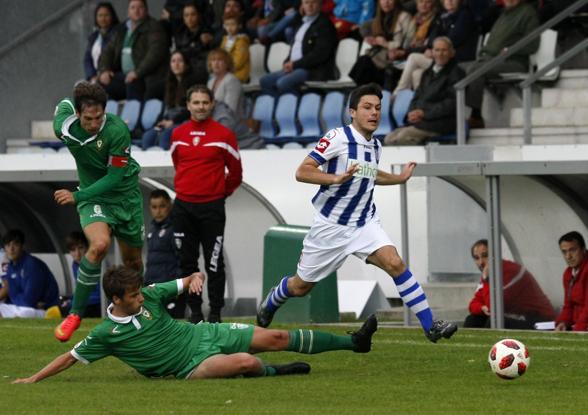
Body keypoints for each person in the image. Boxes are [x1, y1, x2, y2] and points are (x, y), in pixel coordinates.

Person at [256, 83, 457, 343]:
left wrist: (399, 178)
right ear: (352, 112)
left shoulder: (375, 145)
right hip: (331, 227)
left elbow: (370, 175)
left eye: (378, 108)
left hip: (364, 223)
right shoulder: (337, 138)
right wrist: (334, 178)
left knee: (395, 262)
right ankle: (274, 299)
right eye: (367, 107)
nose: (374, 113)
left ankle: (430, 326)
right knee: (301, 286)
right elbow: (302, 171)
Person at [12, 265, 378, 383]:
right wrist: (31, 379)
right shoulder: (106, 333)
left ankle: (355, 343)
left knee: (278, 336)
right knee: (249, 363)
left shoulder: (151, 294)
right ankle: (275, 373)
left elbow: (189, 277)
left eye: (141, 292)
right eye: (135, 296)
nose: (142, 297)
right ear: (118, 300)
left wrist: (196, 279)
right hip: (189, 366)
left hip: (204, 334)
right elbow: (70, 358)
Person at [52, 81, 144, 342]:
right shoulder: (65, 127)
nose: (94, 123)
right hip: (94, 198)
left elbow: (114, 177)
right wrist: (82, 195)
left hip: (124, 197)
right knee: (100, 244)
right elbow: (63, 104)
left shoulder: (117, 131)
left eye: (99, 117)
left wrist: (77, 195)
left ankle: (139, 313)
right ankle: (75, 314)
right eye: (89, 118)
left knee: (133, 263)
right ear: (79, 114)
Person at [170, 85, 243, 324]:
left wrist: (219, 194)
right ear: (188, 105)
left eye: (204, 102)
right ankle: (195, 313)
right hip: (183, 207)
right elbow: (178, 164)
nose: (200, 106)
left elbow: (235, 173)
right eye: (196, 102)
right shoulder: (177, 134)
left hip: (212, 208)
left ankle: (215, 314)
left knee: (214, 262)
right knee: (187, 262)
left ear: (212, 104)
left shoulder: (224, 135)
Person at [465, 0, 539, 128]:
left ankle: (476, 116)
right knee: (457, 69)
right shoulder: (504, 14)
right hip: (488, 60)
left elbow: (533, 44)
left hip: (513, 61)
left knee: (475, 70)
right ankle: (451, 117)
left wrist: (511, 49)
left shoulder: (528, 13)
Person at [384, 37, 465, 145]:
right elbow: (416, 97)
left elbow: (451, 104)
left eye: (444, 50)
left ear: (452, 53)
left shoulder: (457, 73)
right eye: (437, 50)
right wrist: (412, 112)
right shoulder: (427, 73)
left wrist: (424, 113)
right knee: (389, 138)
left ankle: (415, 162)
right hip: (422, 121)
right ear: (432, 52)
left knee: (402, 138)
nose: (440, 54)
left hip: (441, 123)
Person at [463, 239, 555, 329]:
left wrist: (487, 279)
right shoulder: (489, 273)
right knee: (472, 320)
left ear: (496, 255)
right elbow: (473, 304)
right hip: (519, 317)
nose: (481, 262)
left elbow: (494, 307)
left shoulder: (511, 271)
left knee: (494, 322)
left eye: (485, 255)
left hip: (540, 320)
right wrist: (482, 307)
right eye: (476, 258)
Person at [394, 0, 476, 94]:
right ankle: (421, 105)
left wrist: (434, 50)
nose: (449, 1)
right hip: (440, 57)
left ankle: (396, 95)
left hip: (456, 61)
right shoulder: (443, 16)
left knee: (413, 58)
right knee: (417, 74)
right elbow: (432, 38)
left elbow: (451, 41)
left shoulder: (465, 16)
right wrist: (431, 48)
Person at [259, 0, 338, 96]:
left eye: (313, 2)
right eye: (306, 3)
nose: (310, 6)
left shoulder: (324, 24)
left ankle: (298, 106)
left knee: (283, 83)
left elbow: (319, 54)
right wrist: (287, 62)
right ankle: (280, 108)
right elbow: (294, 48)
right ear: (302, 5)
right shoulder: (301, 23)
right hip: (296, 67)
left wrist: (295, 64)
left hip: (312, 70)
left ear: (320, 4)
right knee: (265, 81)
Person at [98, 0, 169, 101]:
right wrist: (104, 70)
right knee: (102, 84)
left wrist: (137, 72)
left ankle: (133, 115)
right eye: (133, 8)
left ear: (146, 10)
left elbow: (155, 54)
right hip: (124, 75)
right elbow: (108, 51)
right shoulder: (121, 29)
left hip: (144, 76)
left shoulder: (154, 27)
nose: (136, 11)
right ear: (128, 11)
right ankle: (106, 115)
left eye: (140, 7)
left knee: (133, 82)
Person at [141, 50, 196, 150]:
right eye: (173, 61)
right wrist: (159, 122)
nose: (176, 64)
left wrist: (173, 121)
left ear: (186, 64)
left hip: (184, 121)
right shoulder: (169, 85)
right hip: (169, 121)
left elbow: (192, 110)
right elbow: (164, 109)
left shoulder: (192, 83)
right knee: (147, 137)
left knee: (165, 135)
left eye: (180, 61)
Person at [0, 230, 60, 319]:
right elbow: (13, 294)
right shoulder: (11, 267)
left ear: (22, 246)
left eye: (15, 245)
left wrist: (16, 298)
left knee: (24, 313)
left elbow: (29, 300)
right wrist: (16, 299)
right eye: (8, 245)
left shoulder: (32, 265)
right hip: (24, 306)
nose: (11, 249)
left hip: (44, 308)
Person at [554, 231, 588, 332]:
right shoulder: (568, 273)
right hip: (576, 324)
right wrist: (563, 322)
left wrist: (578, 329)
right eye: (564, 252)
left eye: (572, 250)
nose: (568, 256)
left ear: (583, 249)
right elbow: (568, 305)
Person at [144, 189, 184, 318]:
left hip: (169, 288)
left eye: (162, 206)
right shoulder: (152, 230)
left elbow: (181, 259)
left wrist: (177, 286)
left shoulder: (175, 228)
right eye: (154, 207)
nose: (158, 211)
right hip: (153, 288)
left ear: (169, 205)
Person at [64, 231, 102, 318]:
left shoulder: (97, 264)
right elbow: (80, 288)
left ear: (88, 247)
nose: (77, 254)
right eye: (73, 250)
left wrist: (75, 302)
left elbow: (100, 295)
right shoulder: (75, 265)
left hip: (98, 304)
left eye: (80, 248)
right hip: (86, 303)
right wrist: (71, 300)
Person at [172, 2, 213, 78]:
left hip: (201, 73)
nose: (189, 18)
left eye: (193, 14)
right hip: (183, 71)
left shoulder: (207, 33)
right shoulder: (180, 35)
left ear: (199, 16)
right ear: (183, 18)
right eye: (186, 15)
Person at [84, 2, 120, 83]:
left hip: (110, 74)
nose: (103, 19)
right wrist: (92, 75)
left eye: (106, 15)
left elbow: (113, 56)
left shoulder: (118, 33)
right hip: (95, 77)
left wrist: (105, 71)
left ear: (112, 16)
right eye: (100, 15)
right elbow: (87, 59)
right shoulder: (93, 37)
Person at [206, 48, 244, 118]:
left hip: (229, 122)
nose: (216, 63)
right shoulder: (210, 82)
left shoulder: (232, 81)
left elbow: (230, 110)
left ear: (227, 63)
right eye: (213, 60)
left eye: (220, 60)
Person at [220, 11, 251, 83]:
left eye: (232, 24)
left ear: (239, 25)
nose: (229, 28)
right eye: (227, 25)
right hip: (227, 72)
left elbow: (238, 62)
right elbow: (220, 55)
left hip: (239, 74)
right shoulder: (225, 40)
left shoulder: (242, 41)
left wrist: (224, 69)